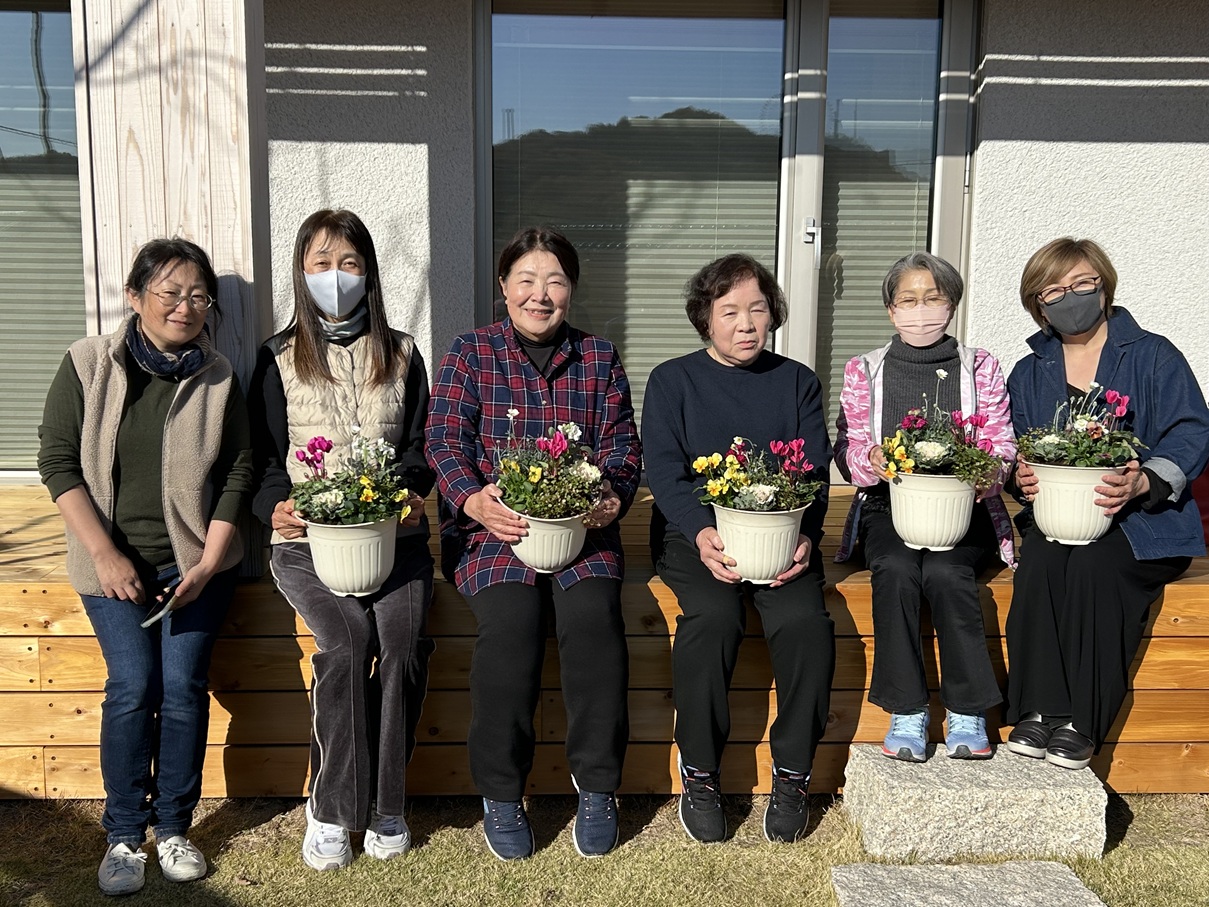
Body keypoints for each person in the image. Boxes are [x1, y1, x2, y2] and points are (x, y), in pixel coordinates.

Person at [37, 239, 252, 895]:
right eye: (170, 292)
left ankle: (175, 826)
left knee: (183, 687)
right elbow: (57, 460)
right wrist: (103, 554)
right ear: (135, 296)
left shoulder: (218, 376)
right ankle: (126, 833)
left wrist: (209, 562)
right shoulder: (87, 363)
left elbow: (240, 469)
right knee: (133, 686)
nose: (185, 306)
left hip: (195, 568)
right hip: (112, 569)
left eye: (198, 295)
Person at [426, 226, 641, 860]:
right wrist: (472, 499)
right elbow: (443, 440)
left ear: (571, 290)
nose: (539, 295)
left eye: (555, 281)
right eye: (526, 280)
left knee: (594, 619)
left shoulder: (598, 357)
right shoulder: (471, 352)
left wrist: (613, 495)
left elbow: (623, 447)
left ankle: (597, 786)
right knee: (511, 625)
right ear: (504, 286)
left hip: (581, 530)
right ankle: (501, 792)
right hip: (494, 531)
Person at [248, 209, 434, 869]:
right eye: (321, 263)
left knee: (403, 644)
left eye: (349, 263)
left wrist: (409, 491)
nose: (335, 276)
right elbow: (263, 461)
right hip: (308, 545)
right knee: (348, 642)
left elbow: (419, 449)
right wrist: (275, 508)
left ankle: (387, 803)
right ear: (302, 272)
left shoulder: (403, 352)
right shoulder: (276, 357)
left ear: (369, 272)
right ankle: (329, 808)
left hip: (396, 541)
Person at [641, 253, 833, 845]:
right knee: (713, 618)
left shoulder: (797, 381)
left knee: (805, 624)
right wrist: (702, 532)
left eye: (757, 309)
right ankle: (700, 772)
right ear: (705, 318)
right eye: (730, 312)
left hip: (782, 534)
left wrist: (805, 535)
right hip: (694, 536)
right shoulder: (672, 380)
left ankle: (793, 773)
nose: (746, 324)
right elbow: (665, 473)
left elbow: (815, 473)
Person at [1006, 237, 1209, 769]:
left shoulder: (1154, 355)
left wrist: (1145, 483)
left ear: (1104, 286)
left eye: (1082, 283)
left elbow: (1191, 431)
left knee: (1094, 567)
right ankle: (1037, 710)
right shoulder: (1028, 371)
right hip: (1060, 517)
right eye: (1054, 290)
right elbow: (1012, 446)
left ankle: (1081, 720)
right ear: (1037, 304)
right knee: (1040, 564)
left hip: (1147, 524)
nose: (1069, 297)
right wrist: (1018, 476)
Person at [834, 252, 1016, 764]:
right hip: (886, 507)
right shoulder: (864, 369)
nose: (921, 311)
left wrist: (982, 472)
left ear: (951, 305)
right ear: (891, 310)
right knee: (894, 568)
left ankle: (967, 709)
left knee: (946, 572)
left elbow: (1002, 445)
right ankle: (907, 709)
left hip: (965, 510)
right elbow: (847, 450)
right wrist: (871, 458)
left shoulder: (979, 366)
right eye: (908, 300)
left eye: (932, 299)